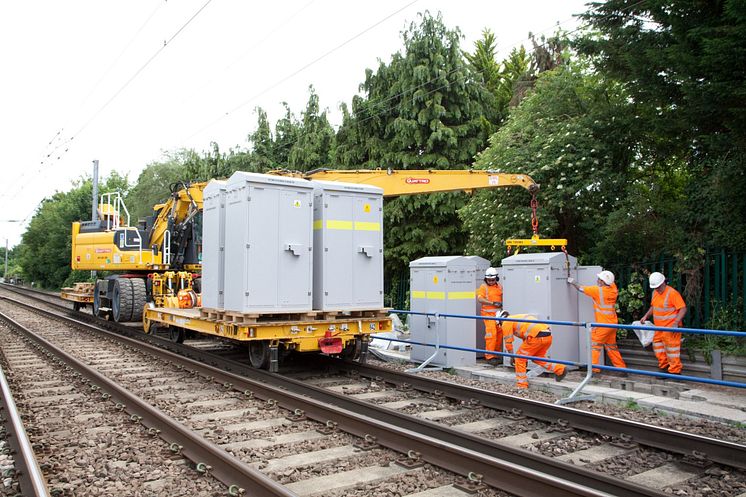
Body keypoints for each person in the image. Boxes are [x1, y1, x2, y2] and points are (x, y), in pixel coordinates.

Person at [567, 270, 627, 375]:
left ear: (603, 282)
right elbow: (610, 282)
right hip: (613, 323)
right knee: (611, 346)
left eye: (599, 279)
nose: (597, 280)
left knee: (594, 345)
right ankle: (622, 369)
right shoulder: (613, 289)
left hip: (603, 325)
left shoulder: (597, 291)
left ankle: (594, 370)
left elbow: (581, 288)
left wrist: (572, 281)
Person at [500, 310, 567, 389]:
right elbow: (526, 340)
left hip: (536, 338)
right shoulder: (518, 317)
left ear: (500, 320)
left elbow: (508, 342)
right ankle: (560, 369)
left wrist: (512, 356)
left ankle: (522, 385)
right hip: (547, 336)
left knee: (519, 358)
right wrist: (526, 357)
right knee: (537, 357)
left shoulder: (507, 322)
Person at [639, 272, 687, 375]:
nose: (657, 289)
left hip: (670, 328)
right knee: (658, 348)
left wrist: (676, 323)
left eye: (658, 287)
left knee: (672, 351)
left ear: (663, 283)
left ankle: (675, 371)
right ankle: (664, 367)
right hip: (659, 327)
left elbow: (682, 308)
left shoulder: (672, 293)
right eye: (655, 287)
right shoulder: (655, 293)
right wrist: (646, 316)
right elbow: (653, 307)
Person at [477, 267, 503, 365]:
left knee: (500, 334)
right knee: (491, 334)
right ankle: (489, 356)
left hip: (498, 315)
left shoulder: (499, 287)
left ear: (496, 278)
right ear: (486, 279)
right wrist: (493, 303)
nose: (491, 281)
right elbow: (480, 299)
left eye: (493, 280)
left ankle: (496, 355)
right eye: (489, 280)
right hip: (488, 315)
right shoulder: (483, 287)